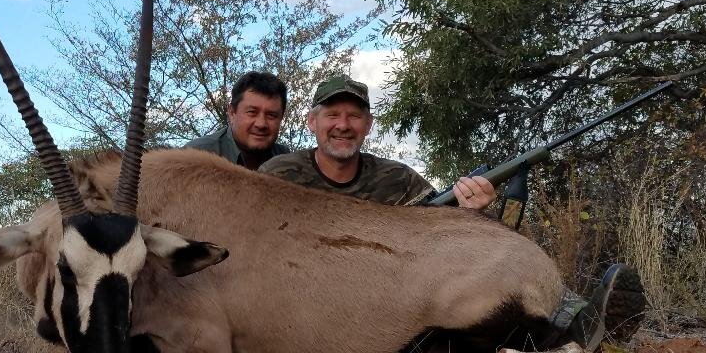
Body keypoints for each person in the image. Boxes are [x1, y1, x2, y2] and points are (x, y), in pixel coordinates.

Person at [259, 75, 496, 209]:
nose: (343, 125)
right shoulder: (275, 174)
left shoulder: (400, 179)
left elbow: (443, 225)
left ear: (369, 124)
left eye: (354, 116)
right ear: (312, 121)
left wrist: (472, 212)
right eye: (332, 115)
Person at [184, 71, 290, 170]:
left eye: (271, 115)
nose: (261, 124)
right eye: (252, 112)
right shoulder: (195, 157)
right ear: (231, 113)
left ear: (281, 118)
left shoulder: (288, 163)